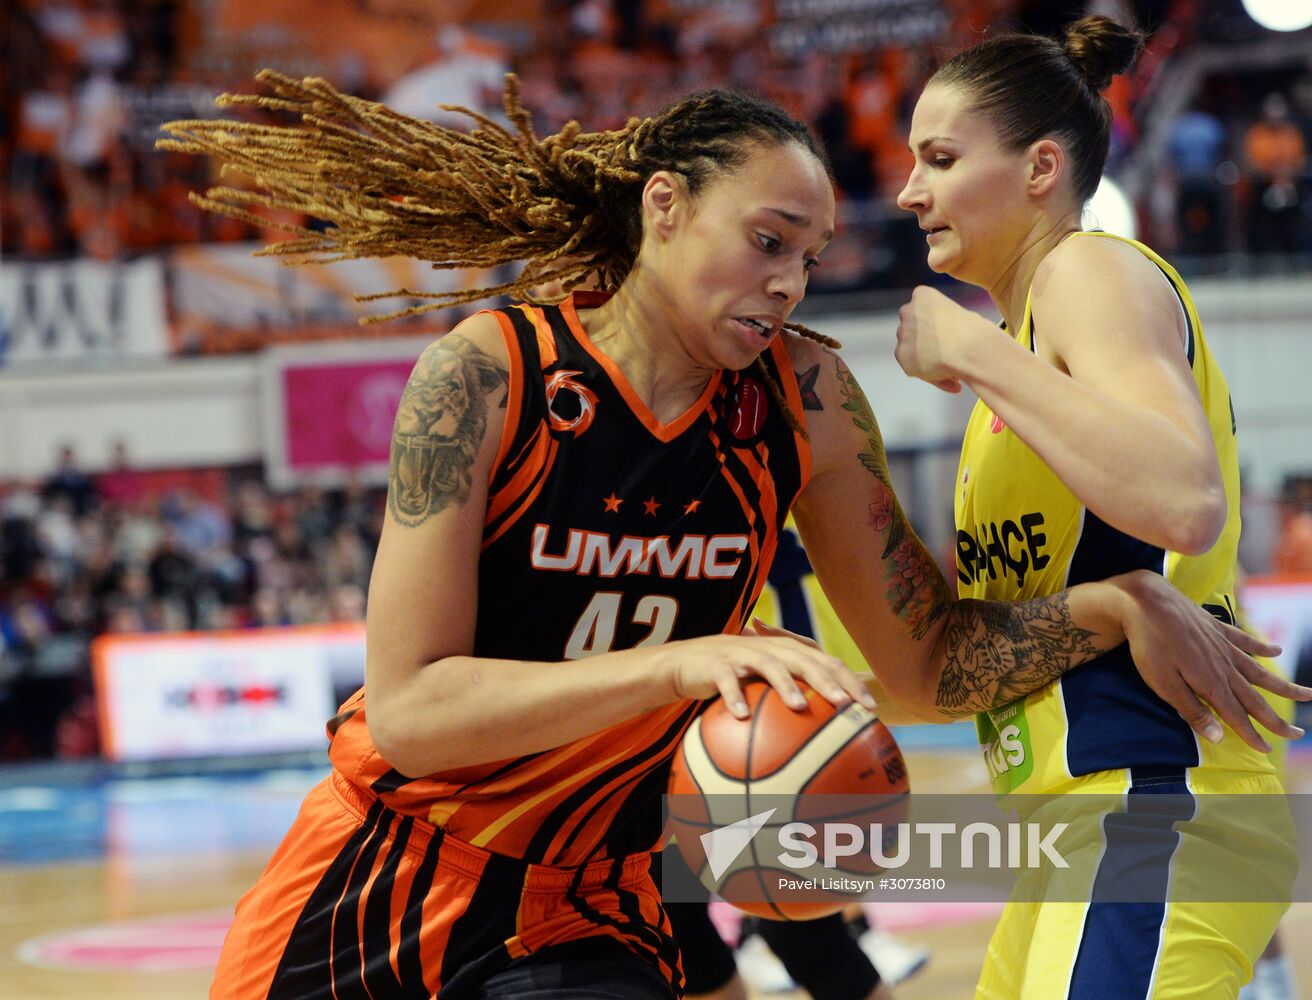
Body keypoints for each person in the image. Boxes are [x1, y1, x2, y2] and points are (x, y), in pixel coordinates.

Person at [160, 71, 1304, 1000]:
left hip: (585, 909)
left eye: (806, 258)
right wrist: (676, 665)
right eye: (765, 241)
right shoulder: (489, 372)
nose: (786, 284)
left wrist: (1104, 606)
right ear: (663, 206)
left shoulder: (802, 399)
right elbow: (409, 712)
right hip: (382, 870)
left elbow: (924, 663)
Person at [893, 16, 1304, 1000]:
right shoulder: (1024, 347)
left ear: (1041, 167)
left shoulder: (1086, 270)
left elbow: (1182, 498)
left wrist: (971, 351)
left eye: (940, 159)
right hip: (1065, 826)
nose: (909, 190)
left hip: (1153, 798)